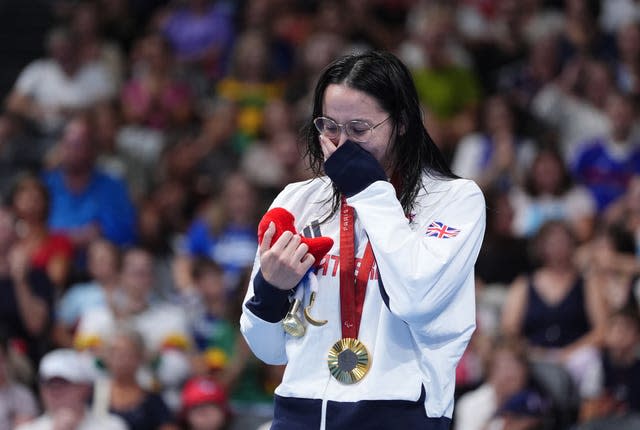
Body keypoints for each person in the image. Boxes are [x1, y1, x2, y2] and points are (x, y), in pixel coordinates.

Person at [240, 51, 486, 428]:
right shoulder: (297, 201)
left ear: (401, 123)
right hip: (299, 412)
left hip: (399, 414)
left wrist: (369, 192)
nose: (341, 144)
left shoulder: (455, 201)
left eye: (359, 129)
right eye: (329, 127)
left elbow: (415, 298)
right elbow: (268, 349)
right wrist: (270, 289)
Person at [16, 348, 127, 430]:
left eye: (62, 383)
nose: (54, 391)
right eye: (48, 384)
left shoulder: (113, 426)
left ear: (84, 388)